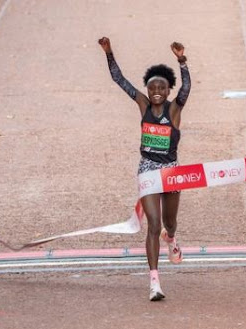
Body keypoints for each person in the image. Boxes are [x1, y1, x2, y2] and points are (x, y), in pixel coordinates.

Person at [98, 36, 191, 301]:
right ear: (148, 91)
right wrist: (109, 52)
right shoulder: (143, 105)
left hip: (172, 171)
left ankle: (171, 239)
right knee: (153, 225)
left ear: (168, 90)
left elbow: (186, 90)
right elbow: (120, 80)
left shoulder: (174, 109)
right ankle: (154, 283)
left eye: (162, 87)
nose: (157, 91)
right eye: (153, 88)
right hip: (148, 171)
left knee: (169, 224)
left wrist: (182, 60)